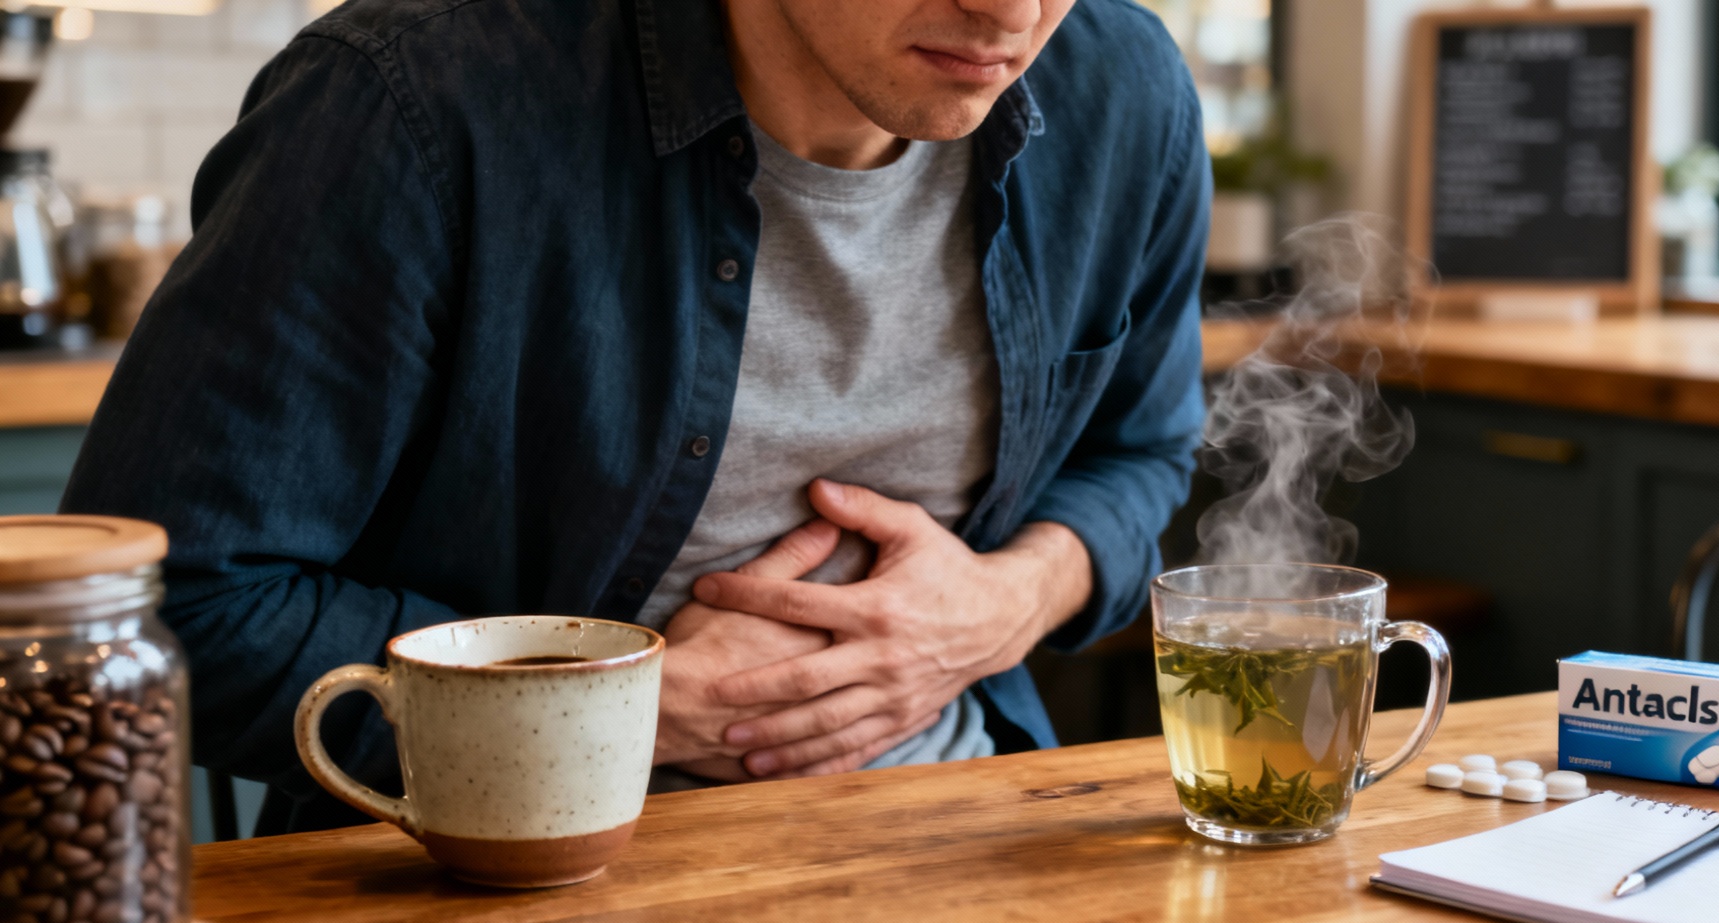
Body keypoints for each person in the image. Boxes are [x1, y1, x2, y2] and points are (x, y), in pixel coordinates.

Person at [61, 0, 1210, 832]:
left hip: (959, 829)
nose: (1010, 13)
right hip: (502, 880)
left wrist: (1000, 607)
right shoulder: (408, 101)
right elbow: (174, 613)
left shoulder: (1122, 92)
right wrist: (617, 710)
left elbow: (1140, 452)